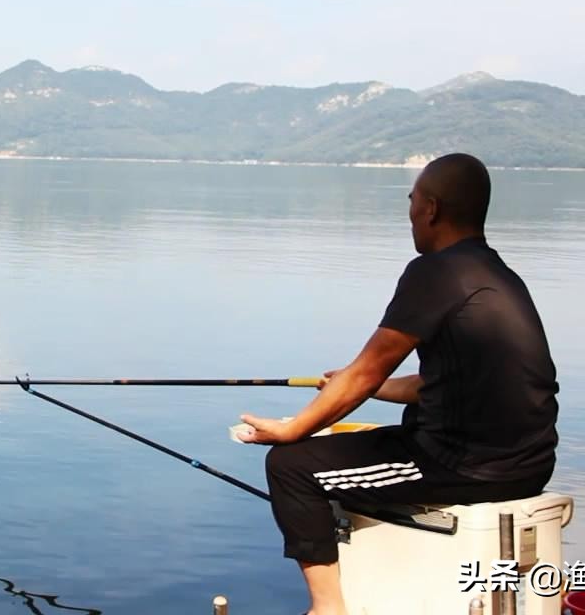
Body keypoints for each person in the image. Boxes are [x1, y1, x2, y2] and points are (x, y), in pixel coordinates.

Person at [235, 152, 559, 615]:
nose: (408, 212)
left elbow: (368, 372)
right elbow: (435, 383)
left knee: (292, 466)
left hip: (466, 466)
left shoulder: (436, 271)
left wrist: (292, 429)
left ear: (430, 208)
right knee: (338, 446)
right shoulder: (496, 275)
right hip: (529, 460)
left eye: (412, 200)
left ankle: (328, 608)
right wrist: (351, 384)